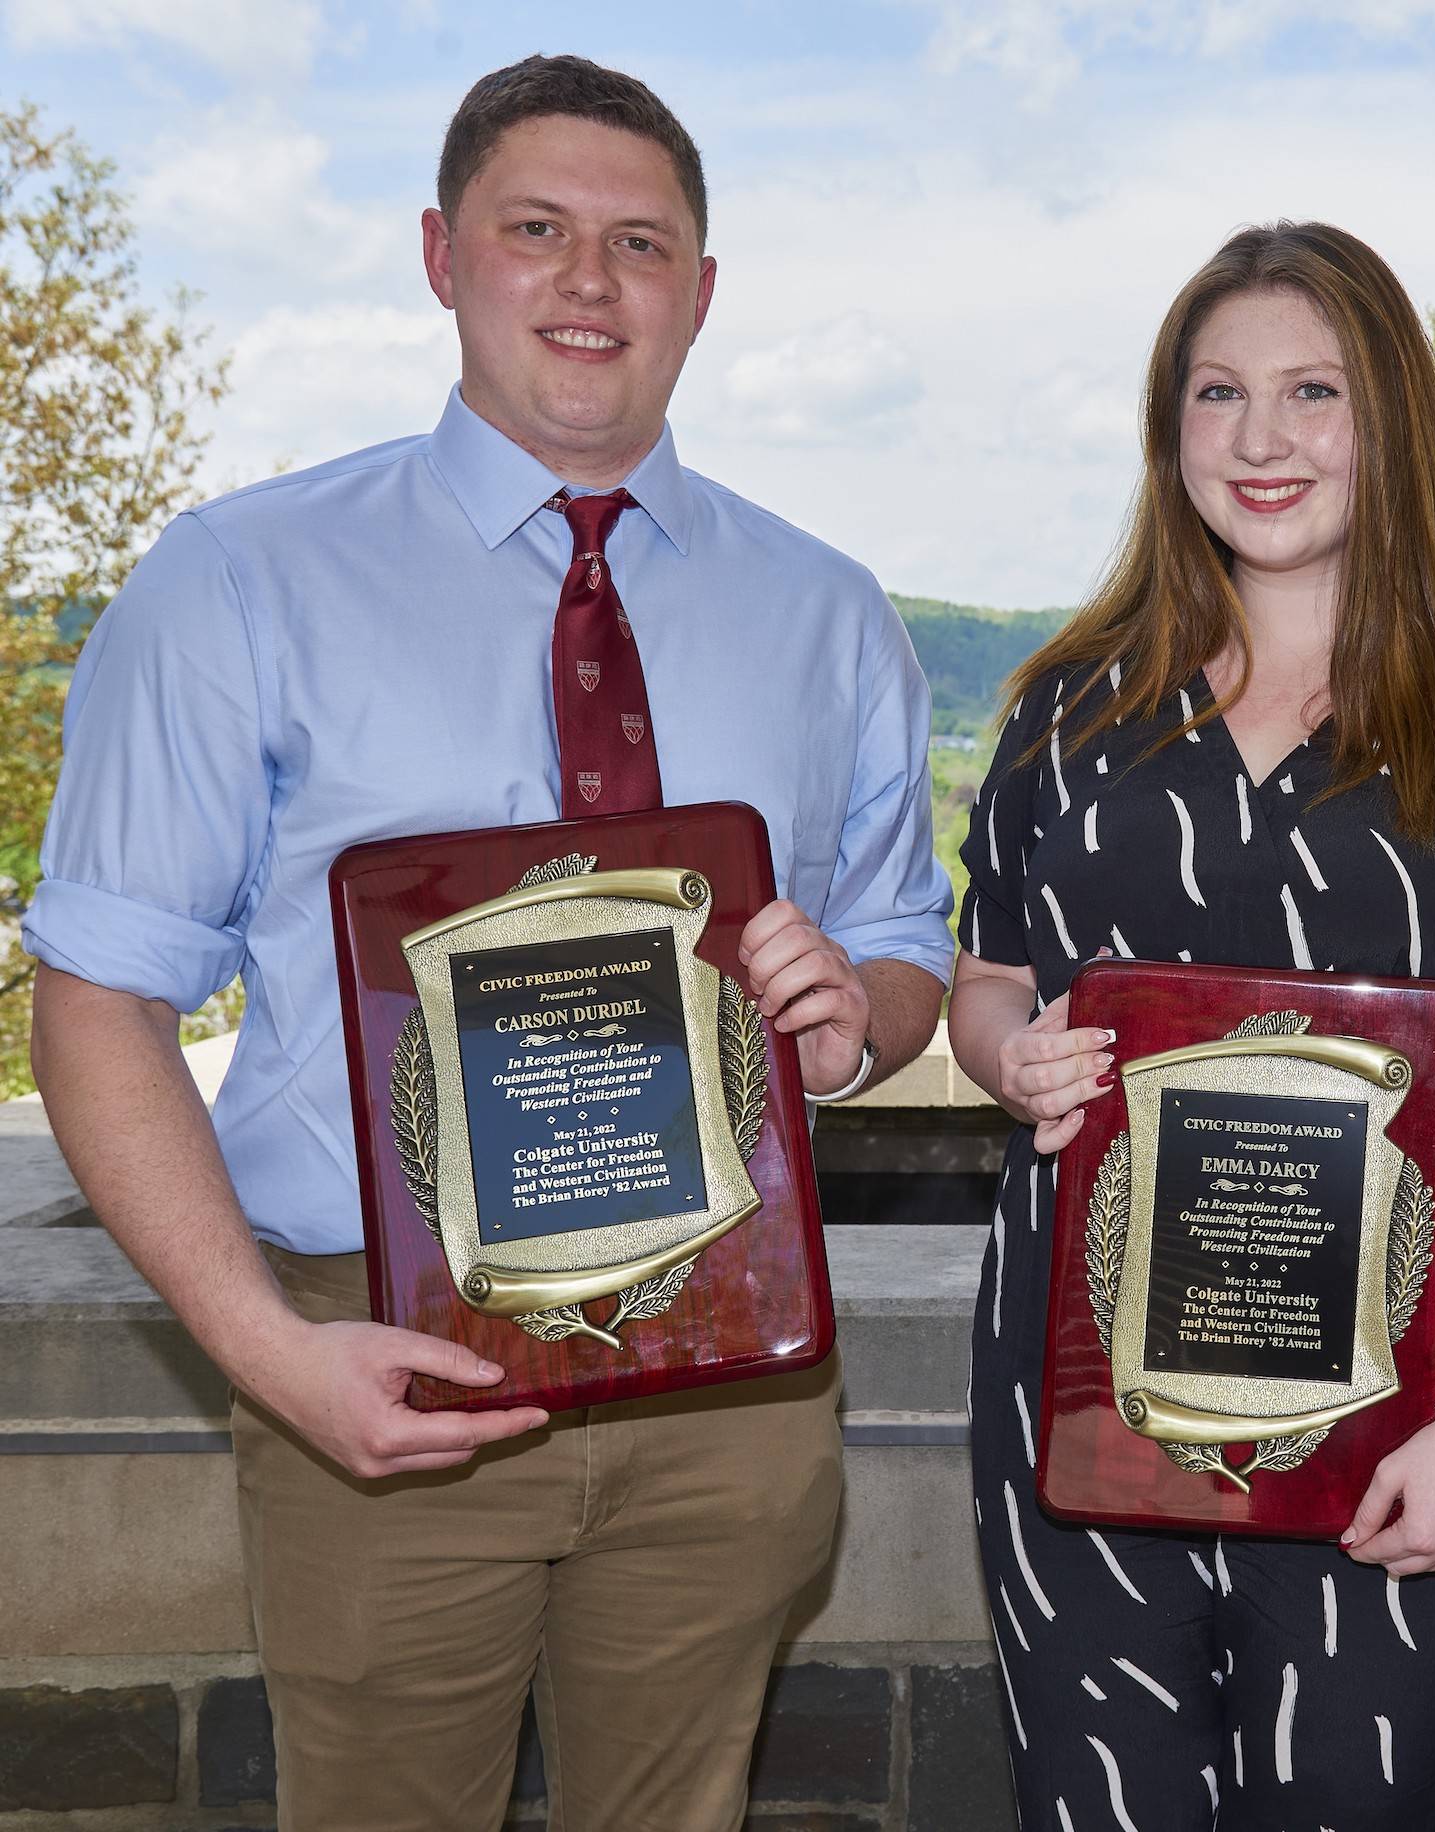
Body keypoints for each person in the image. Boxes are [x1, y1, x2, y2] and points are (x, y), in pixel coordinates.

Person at [24, 54, 951, 1832]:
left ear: (701, 288)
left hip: (729, 1379)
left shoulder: (828, 613)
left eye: (642, 242)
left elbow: (903, 943)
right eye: (539, 231)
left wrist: (857, 1014)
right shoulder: (236, 581)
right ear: (445, 256)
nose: (591, 281)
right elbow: (101, 994)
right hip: (375, 1372)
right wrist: (264, 1353)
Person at [948, 221, 1435, 1829]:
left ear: (1392, 419)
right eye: (1216, 393)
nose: (1260, 439)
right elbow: (984, 978)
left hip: (1398, 1416)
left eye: (1313, 392)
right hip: (1080, 1403)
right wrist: (999, 1053)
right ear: (1168, 431)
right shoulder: (1071, 701)